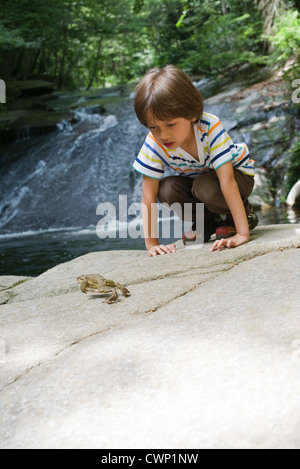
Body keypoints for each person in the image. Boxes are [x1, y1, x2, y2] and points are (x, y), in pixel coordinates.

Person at [133, 65, 258, 257]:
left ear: (191, 114)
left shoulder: (209, 127)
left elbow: (227, 181)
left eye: (171, 124)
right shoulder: (154, 141)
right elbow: (148, 197)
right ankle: (208, 222)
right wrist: (152, 245)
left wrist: (242, 234)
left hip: (237, 179)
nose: (163, 135)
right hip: (198, 185)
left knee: (204, 185)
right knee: (166, 188)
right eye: (153, 127)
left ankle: (242, 217)